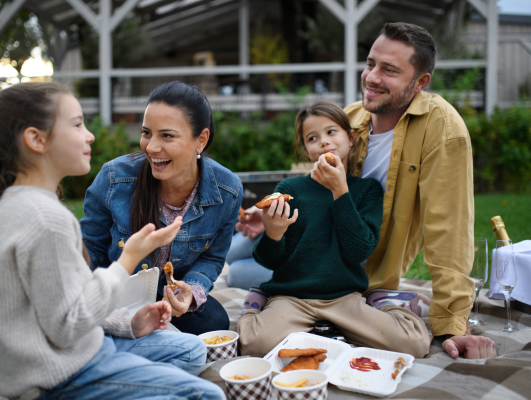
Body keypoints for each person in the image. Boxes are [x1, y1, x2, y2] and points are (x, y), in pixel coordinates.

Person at [232, 22, 496, 359]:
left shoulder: (442, 129)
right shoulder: (353, 118)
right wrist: (269, 214)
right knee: (237, 255)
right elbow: (309, 182)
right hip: (307, 248)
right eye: (370, 63)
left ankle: (383, 302)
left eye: (389, 70)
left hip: (353, 269)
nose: (371, 77)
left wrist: (453, 322)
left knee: (238, 270)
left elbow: (450, 230)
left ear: (420, 83)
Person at [0, 82, 225, 400]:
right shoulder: (45, 219)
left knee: (191, 349)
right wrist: (128, 258)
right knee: (207, 395)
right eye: (78, 124)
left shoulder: (22, 203)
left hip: (78, 347)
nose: (90, 135)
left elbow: (63, 302)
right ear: (37, 140)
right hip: (58, 375)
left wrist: (127, 323)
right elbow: (69, 323)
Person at [237, 100, 430, 358]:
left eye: (331, 132)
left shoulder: (367, 190)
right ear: (306, 150)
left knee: (414, 344)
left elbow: (358, 250)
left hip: (344, 297)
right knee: (253, 345)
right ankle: (256, 303)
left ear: (350, 138)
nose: (324, 142)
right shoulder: (289, 189)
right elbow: (269, 260)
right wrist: (272, 233)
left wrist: (340, 191)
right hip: (293, 296)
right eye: (312, 138)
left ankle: (381, 303)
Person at [80, 81, 243, 335]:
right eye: (147, 133)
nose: (151, 147)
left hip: (168, 302)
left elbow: (212, 258)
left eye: (167, 135)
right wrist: (88, 304)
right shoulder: (114, 178)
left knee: (214, 322)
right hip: (117, 296)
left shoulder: (227, 190)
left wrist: (191, 291)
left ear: (201, 139)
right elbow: (90, 248)